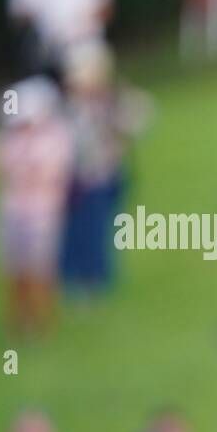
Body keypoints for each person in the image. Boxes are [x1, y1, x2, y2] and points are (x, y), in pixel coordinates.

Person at [59, 40, 150, 296]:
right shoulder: (70, 108)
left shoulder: (113, 102)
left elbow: (141, 122)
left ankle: (98, 278)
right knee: (78, 231)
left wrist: (117, 105)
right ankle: (77, 278)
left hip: (106, 177)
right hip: (77, 180)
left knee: (99, 230)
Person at [0, 76, 74, 336]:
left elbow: (52, 173)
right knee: (14, 270)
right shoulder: (7, 140)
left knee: (41, 269)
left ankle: (43, 322)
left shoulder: (56, 137)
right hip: (11, 211)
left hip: (42, 214)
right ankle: (19, 319)